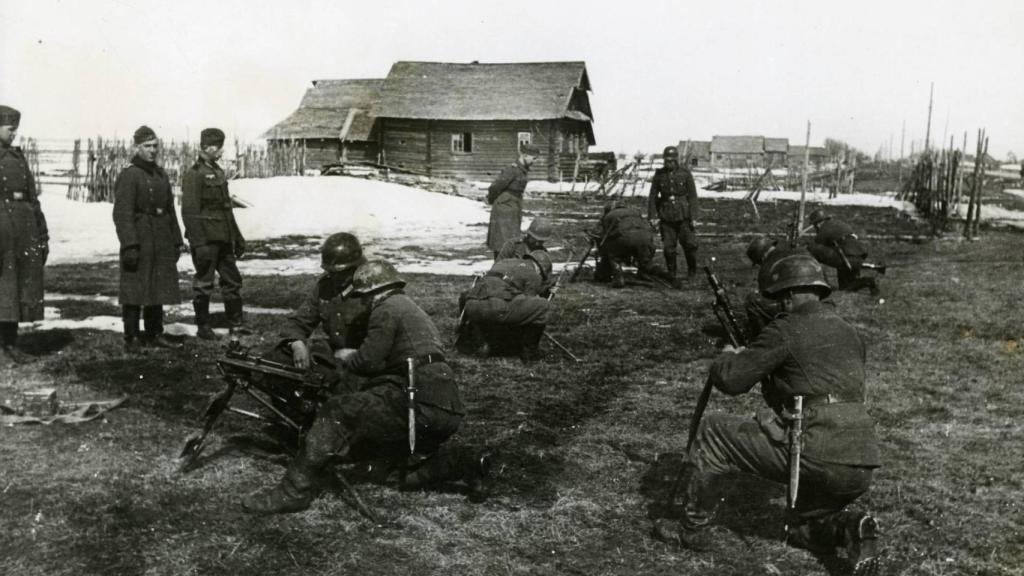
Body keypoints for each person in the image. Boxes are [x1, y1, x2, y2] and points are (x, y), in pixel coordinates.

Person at [653, 254, 882, 576]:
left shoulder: (785, 329)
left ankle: (691, 530)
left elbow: (732, 380)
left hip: (817, 452)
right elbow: (807, 386)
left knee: (714, 429)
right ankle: (851, 527)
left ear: (788, 296)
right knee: (800, 529)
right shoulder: (849, 331)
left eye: (778, 299)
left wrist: (728, 356)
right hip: (861, 461)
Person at [242, 260, 489, 514]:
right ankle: (470, 462)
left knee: (336, 410)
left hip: (416, 400)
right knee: (393, 472)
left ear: (375, 292)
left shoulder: (386, 309)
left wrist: (346, 356)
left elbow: (368, 360)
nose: (365, 303)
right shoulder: (411, 308)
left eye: (365, 297)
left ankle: (293, 492)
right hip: (445, 406)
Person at [112, 126, 185, 352]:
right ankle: (131, 336)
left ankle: (155, 333)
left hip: (161, 236)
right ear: (137, 147)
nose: (152, 151)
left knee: (158, 286)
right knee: (134, 288)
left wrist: (176, 239)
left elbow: (170, 209)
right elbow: (122, 214)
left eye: (155, 146)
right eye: (147, 146)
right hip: (140, 237)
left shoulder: (161, 174)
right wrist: (130, 245)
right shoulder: (130, 175)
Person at [181, 128, 247, 340]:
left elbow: (226, 208)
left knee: (232, 281)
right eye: (218, 147)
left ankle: (236, 324)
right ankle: (203, 326)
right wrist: (198, 244)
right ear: (207, 147)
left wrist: (237, 236)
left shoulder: (218, 172)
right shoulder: (194, 175)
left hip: (224, 237)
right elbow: (189, 212)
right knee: (204, 283)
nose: (221, 151)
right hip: (206, 239)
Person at [0, 105, 48, 366]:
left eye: (16, 128)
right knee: (3, 287)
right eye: (10, 128)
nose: (14, 133)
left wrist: (42, 233)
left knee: (17, 286)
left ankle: (10, 343)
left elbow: (32, 197)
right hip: (3, 232)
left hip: (22, 230)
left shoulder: (19, 159)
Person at [459, 250, 553, 362]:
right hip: (496, 308)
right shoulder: (534, 275)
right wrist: (546, 292)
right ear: (540, 269)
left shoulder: (505, 261)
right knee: (542, 307)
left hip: (471, 305)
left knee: (493, 309)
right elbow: (529, 301)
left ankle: (480, 342)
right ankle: (529, 353)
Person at [592, 199, 677, 289]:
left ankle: (618, 277)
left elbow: (598, 234)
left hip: (624, 238)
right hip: (645, 238)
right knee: (647, 264)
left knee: (612, 254)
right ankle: (668, 276)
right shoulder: (636, 212)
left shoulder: (609, 215)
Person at [649, 145, 699, 282]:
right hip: (666, 217)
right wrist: (653, 216)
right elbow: (652, 196)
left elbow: (693, 197)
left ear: (676, 160)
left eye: (672, 160)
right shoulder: (659, 174)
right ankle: (672, 274)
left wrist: (694, 217)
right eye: (667, 160)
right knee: (668, 248)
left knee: (689, 246)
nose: (669, 163)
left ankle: (692, 273)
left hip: (684, 216)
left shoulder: (685, 173)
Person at [743, 235, 809, 337]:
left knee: (752, 302)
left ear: (762, 257)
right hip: (814, 300)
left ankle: (763, 338)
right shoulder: (794, 251)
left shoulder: (766, 269)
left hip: (793, 308)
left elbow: (767, 296)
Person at [804, 209, 879, 296]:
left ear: (818, 223)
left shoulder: (824, 228)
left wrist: (807, 246)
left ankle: (819, 282)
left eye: (814, 225)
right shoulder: (838, 224)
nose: (815, 228)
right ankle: (868, 281)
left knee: (813, 248)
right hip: (859, 254)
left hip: (847, 257)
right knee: (846, 286)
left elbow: (818, 244)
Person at [486, 144, 539, 258]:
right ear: (524, 155)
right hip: (504, 209)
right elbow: (495, 187)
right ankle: (499, 269)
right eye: (533, 158)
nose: (534, 161)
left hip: (512, 207)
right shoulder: (512, 169)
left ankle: (506, 269)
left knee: (511, 242)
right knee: (503, 242)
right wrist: (492, 200)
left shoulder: (521, 170)